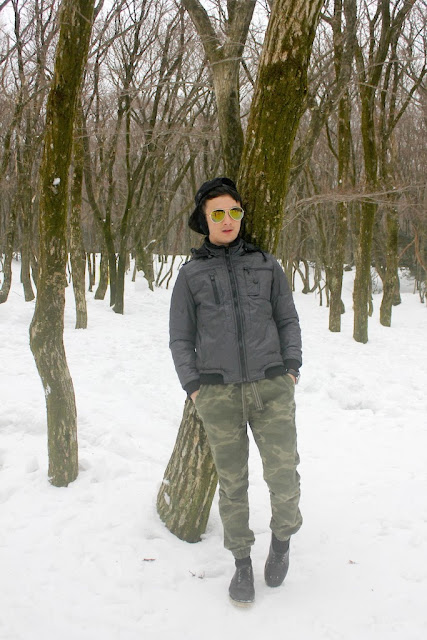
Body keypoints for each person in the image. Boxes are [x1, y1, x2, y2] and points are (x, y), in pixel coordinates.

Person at [169, 177, 302, 606]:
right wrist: (194, 387)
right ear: (204, 219)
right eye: (218, 213)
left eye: (234, 211)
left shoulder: (266, 265)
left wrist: (291, 369)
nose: (228, 220)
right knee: (232, 485)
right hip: (218, 395)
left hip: (271, 388)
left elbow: (287, 319)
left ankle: (281, 541)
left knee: (284, 475)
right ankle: (242, 562)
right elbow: (180, 337)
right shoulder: (191, 275)